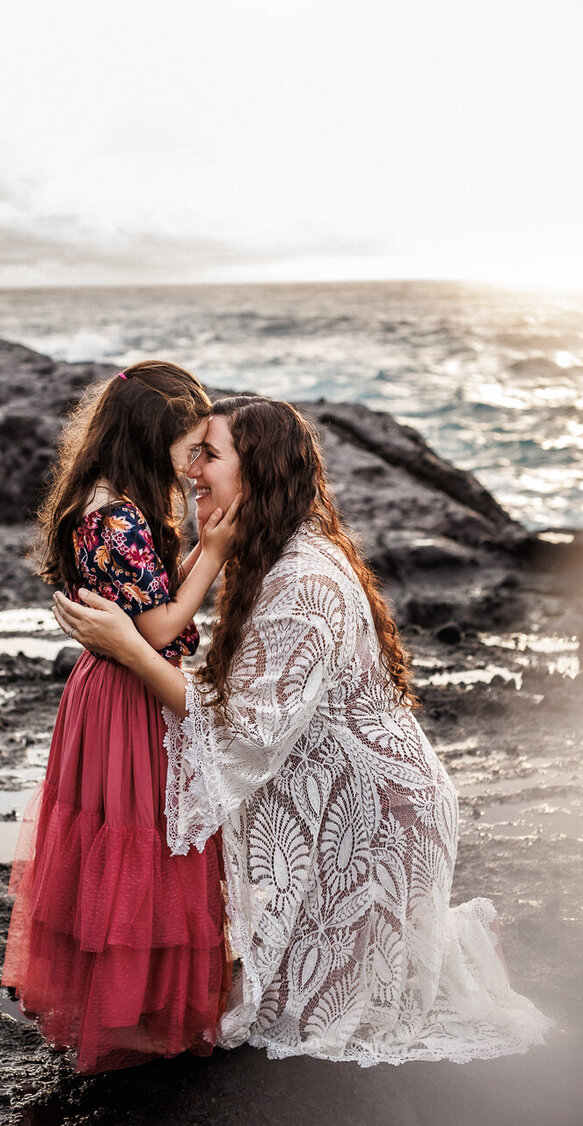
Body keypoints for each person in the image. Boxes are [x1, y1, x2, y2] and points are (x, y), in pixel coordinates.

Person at [52, 394, 550, 1066]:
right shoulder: (273, 551)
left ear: (256, 472)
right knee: (270, 997)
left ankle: (438, 948)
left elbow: (244, 735)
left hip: (381, 820)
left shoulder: (303, 580)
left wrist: (132, 649)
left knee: (297, 1026)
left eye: (210, 455)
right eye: (191, 452)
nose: (191, 470)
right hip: (349, 803)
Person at [2, 361, 239, 1072]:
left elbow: (139, 617)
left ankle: (124, 1004)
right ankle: (135, 1014)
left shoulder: (106, 502)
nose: (196, 462)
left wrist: (191, 549)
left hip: (103, 689)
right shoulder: (117, 518)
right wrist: (215, 553)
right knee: (148, 838)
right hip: (130, 694)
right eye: (188, 448)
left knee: (122, 837)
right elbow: (159, 630)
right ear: (147, 438)